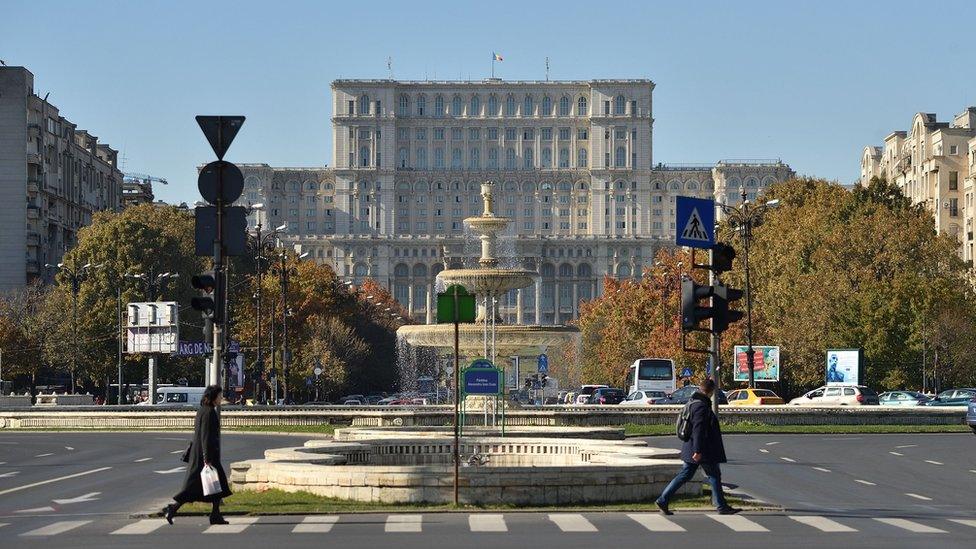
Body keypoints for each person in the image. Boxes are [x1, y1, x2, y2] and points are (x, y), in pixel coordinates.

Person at [656, 378, 739, 515]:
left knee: (687, 474)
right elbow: (698, 430)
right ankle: (721, 506)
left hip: (694, 448)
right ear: (711, 391)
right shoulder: (701, 406)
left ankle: (663, 500)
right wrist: (698, 450)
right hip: (702, 449)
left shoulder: (694, 402)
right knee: (713, 475)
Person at [163, 385, 231, 525]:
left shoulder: (202, 410)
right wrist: (207, 459)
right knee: (198, 488)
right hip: (205, 457)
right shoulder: (209, 412)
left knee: (215, 486)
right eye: (219, 395)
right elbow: (206, 436)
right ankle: (173, 508)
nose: (221, 398)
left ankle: (215, 514)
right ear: (213, 396)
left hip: (203, 455)